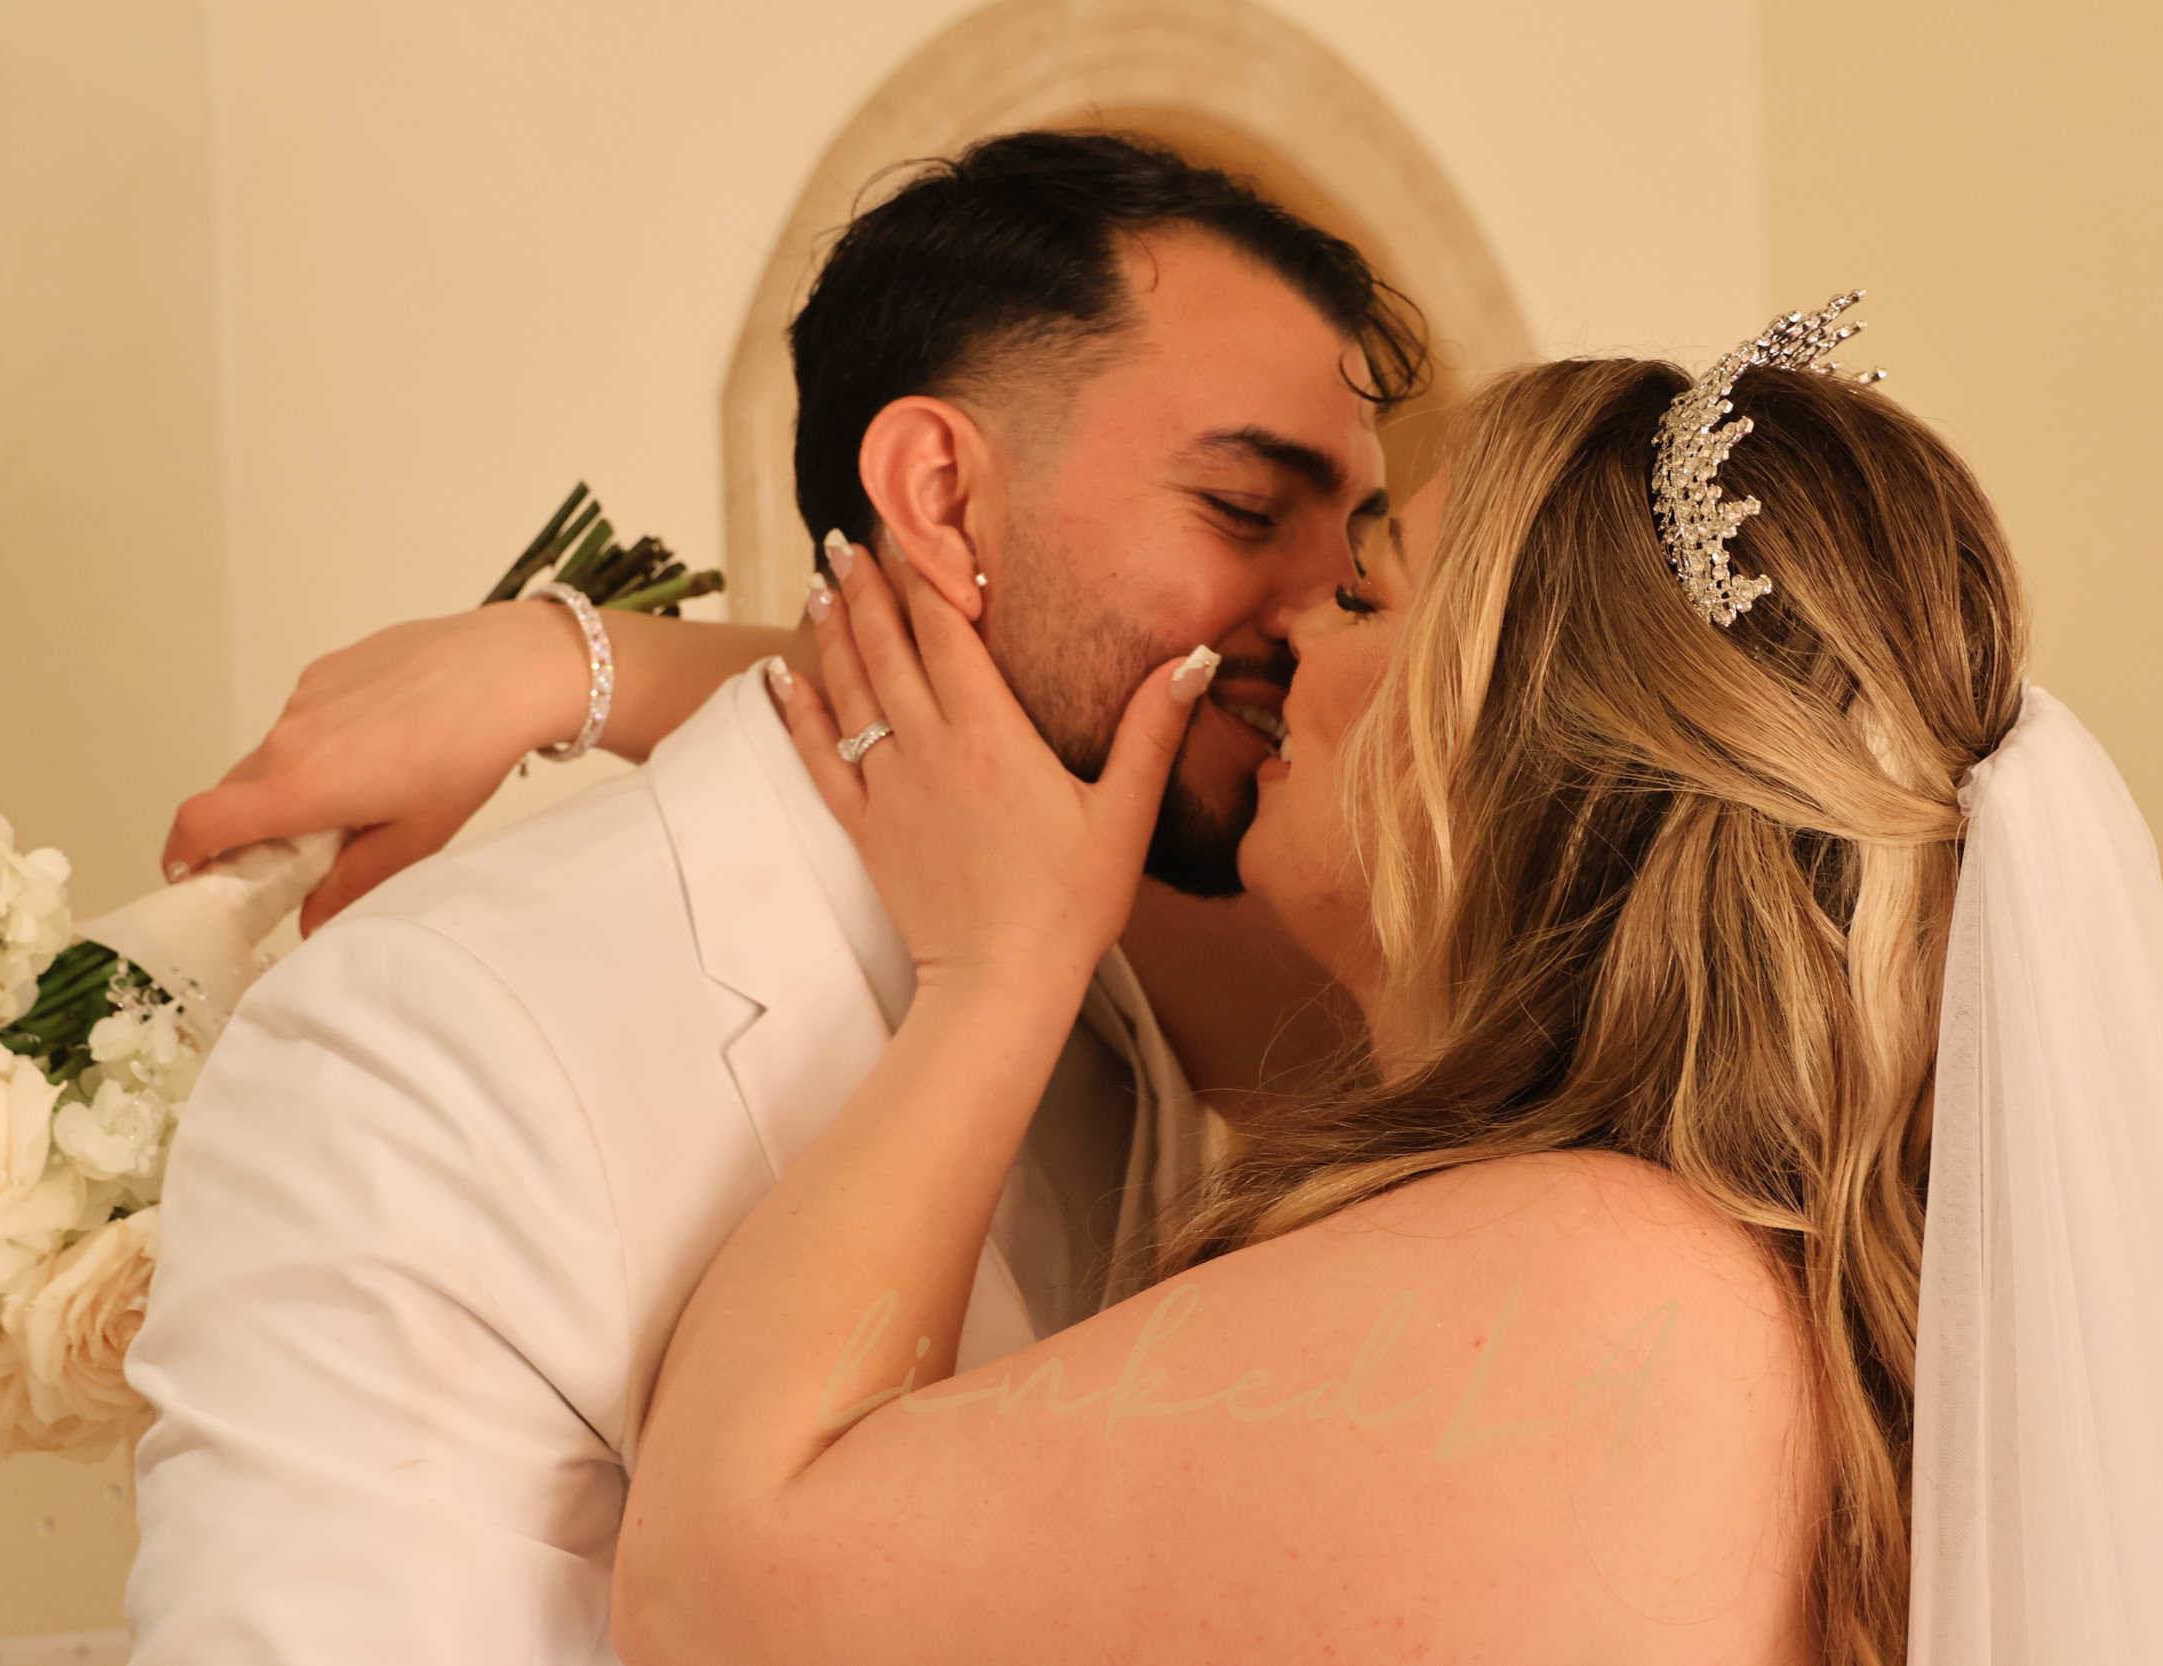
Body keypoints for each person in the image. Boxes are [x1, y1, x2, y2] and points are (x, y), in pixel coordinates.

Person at [124, 129, 1419, 1661]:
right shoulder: (425, 1044)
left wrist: (581, 663)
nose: (1329, 611)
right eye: (1247, 508)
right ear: (940, 495)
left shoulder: (1151, 963)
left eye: (1359, 550)